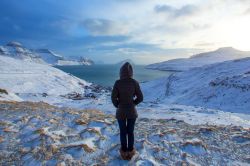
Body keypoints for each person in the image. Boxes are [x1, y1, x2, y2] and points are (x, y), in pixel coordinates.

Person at [111, 62, 143, 160]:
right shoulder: (135, 82)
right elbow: (140, 97)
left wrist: (118, 105)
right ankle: (130, 151)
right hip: (132, 112)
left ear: (121, 72)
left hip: (120, 111)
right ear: (131, 72)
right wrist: (133, 103)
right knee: (130, 132)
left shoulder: (117, 82)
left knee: (123, 132)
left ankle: (124, 152)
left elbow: (113, 98)